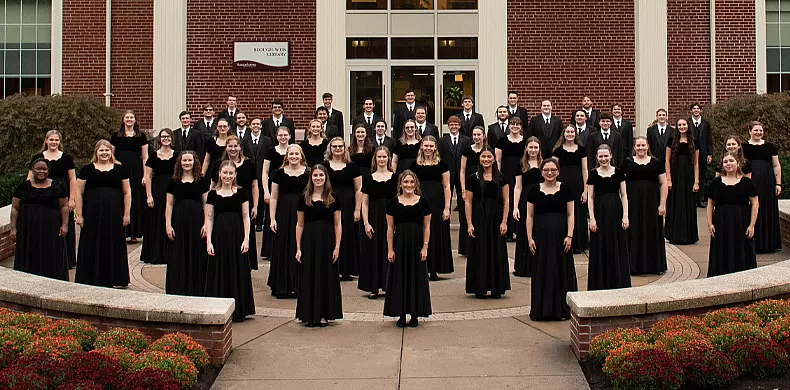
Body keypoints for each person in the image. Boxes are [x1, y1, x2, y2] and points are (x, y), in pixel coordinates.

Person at [75, 140, 131, 288]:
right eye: (101, 150)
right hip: (92, 214)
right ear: (96, 152)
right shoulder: (87, 169)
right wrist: (79, 215)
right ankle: (90, 277)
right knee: (91, 243)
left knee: (114, 243)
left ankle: (115, 278)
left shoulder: (120, 169)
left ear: (111, 152)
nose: (104, 153)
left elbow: (127, 192)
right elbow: (78, 193)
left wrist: (126, 214)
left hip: (114, 214)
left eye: (107, 150)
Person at [526, 158, 577, 320]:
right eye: (546, 170)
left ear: (558, 171)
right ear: (541, 172)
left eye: (553, 170)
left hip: (561, 236)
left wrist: (569, 235)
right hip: (540, 237)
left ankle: (561, 310)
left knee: (560, 269)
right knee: (542, 270)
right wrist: (529, 238)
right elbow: (529, 215)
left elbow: (571, 214)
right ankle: (542, 311)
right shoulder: (534, 190)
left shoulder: (566, 189)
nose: (549, 173)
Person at [205, 161, 255, 321]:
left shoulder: (242, 193)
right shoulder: (212, 194)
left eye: (230, 173)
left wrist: (246, 239)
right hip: (219, 237)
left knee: (237, 269)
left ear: (235, 175)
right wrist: (209, 241)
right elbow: (209, 218)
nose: (227, 176)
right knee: (219, 270)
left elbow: (246, 216)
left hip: (237, 236)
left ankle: (239, 309)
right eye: (224, 173)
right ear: (219, 174)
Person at [296, 165, 343, 327]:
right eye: (315, 175)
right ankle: (309, 314)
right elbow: (300, 224)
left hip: (327, 241)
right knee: (309, 276)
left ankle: (324, 314)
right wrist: (298, 248)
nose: (318, 178)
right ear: (311, 178)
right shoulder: (304, 198)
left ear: (326, 177)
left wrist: (337, 247)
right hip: (309, 241)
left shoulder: (333, 197)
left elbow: (338, 224)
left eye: (321, 175)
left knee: (325, 276)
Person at [385, 170, 432, 327]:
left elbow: (427, 227)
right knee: (400, 277)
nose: (409, 185)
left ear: (416, 184)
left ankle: (415, 314)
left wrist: (425, 247)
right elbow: (390, 228)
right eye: (406, 182)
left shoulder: (424, 202)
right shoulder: (393, 203)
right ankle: (401, 313)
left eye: (412, 182)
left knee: (416, 278)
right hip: (400, 244)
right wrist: (390, 249)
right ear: (400, 184)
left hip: (417, 244)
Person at [465, 147, 511, 299]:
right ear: (479, 159)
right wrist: (469, 223)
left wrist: (504, 222)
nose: (486, 159)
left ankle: (496, 287)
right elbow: (469, 203)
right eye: (483, 157)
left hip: (496, 219)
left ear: (493, 159)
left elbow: (506, 201)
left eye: (489, 156)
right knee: (480, 252)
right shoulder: (473, 178)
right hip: (479, 219)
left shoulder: (502, 178)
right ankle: (480, 287)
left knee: (496, 251)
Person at [12, 158, 69, 280]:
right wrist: (13, 228)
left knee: (50, 254)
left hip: (51, 228)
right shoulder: (23, 187)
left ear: (48, 171)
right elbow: (15, 208)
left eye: (44, 169)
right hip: (28, 228)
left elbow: (64, 206)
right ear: (32, 170)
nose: (41, 171)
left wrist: (64, 224)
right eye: (38, 169)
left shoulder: (58, 186)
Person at [28, 130, 77, 269]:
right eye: (51, 140)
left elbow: (73, 179)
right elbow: (30, 177)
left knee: (64, 224)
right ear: (46, 141)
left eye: (56, 140)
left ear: (59, 142)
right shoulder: (38, 157)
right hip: (43, 195)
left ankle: (66, 260)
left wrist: (72, 199)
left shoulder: (67, 158)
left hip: (63, 195)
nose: (54, 142)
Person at [209, 136, 260, 269]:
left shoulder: (248, 163)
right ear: (226, 148)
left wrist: (255, 205)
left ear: (240, 147)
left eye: (235, 146)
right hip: (224, 201)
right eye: (230, 146)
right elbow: (213, 185)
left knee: (244, 234)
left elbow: (254, 185)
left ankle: (244, 266)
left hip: (243, 202)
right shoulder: (219, 164)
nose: (233, 149)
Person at [706, 152, 759, 277]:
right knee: (721, 251)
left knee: (741, 250)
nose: (728, 164)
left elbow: (755, 203)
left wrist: (752, 225)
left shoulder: (746, 182)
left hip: (741, 222)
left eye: (731, 161)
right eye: (725, 162)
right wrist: (709, 223)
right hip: (721, 223)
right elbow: (710, 204)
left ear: (738, 163)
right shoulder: (716, 183)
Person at [164, 151, 209, 296]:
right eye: (184, 161)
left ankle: (196, 288)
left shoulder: (201, 181)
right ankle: (178, 287)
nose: (187, 163)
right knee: (178, 253)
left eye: (190, 160)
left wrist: (206, 223)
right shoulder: (174, 181)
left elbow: (206, 203)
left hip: (196, 221)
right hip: (179, 221)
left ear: (195, 162)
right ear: (180, 163)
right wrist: (168, 224)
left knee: (196, 253)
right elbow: (169, 204)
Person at [268, 144, 310, 299]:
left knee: (299, 246)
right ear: (287, 156)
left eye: (296, 154)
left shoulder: (308, 173)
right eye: (291, 154)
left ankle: (299, 285)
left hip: (302, 212)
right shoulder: (279, 174)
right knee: (283, 246)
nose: (293, 156)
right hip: (283, 213)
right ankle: (283, 286)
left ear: (301, 156)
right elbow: (274, 197)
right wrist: (272, 218)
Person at [586, 145, 631, 290]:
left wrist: (625, 216)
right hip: (599, 214)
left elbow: (624, 195)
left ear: (611, 156)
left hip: (616, 213)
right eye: (601, 156)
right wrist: (591, 218)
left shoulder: (618, 173)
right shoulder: (593, 174)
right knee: (600, 246)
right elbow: (590, 197)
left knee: (616, 245)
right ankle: (600, 283)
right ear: (597, 157)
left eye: (606, 156)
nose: (603, 159)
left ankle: (618, 281)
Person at [622, 136, 668, 275]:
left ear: (648, 146)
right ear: (634, 147)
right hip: (633, 204)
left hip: (651, 203)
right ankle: (633, 266)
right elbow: (621, 183)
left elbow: (663, 183)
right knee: (633, 231)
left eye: (643, 146)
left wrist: (662, 204)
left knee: (651, 230)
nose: (641, 148)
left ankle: (654, 266)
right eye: (638, 146)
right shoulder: (627, 162)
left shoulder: (656, 163)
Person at [410, 136, 453, 280]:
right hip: (419, 201)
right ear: (421, 147)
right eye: (425, 146)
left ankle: (434, 268)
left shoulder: (442, 164)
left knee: (436, 232)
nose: (428, 149)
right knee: (420, 232)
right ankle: (420, 267)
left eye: (431, 146)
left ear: (435, 148)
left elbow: (447, 186)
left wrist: (447, 207)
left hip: (437, 201)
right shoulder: (414, 165)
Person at [359, 147, 397, 299]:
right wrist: (366, 223)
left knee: (389, 250)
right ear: (375, 159)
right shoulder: (368, 178)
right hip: (374, 218)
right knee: (374, 250)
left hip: (390, 217)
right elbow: (365, 203)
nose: (382, 159)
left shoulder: (395, 178)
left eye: (384, 157)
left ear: (388, 159)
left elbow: (397, 200)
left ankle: (389, 285)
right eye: (379, 157)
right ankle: (374, 287)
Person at [322, 137, 362, 281]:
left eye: (340, 146)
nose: (338, 149)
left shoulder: (352, 167)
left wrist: (357, 209)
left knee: (347, 235)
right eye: (335, 146)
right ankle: (331, 268)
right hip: (329, 203)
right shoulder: (324, 166)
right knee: (330, 234)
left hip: (347, 204)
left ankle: (346, 270)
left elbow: (358, 189)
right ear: (330, 148)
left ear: (344, 148)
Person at [742, 121, 782, 253]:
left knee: (767, 209)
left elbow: (776, 165)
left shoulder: (770, 146)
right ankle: (752, 242)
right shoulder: (743, 147)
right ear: (750, 131)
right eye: (755, 130)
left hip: (768, 183)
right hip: (751, 182)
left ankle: (768, 244)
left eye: (760, 130)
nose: (758, 133)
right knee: (752, 209)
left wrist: (778, 183)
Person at [110, 110, 148, 244]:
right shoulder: (115, 136)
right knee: (120, 197)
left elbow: (145, 157)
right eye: (127, 117)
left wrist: (145, 175)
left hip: (136, 171)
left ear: (135, 120)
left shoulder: (141, 136)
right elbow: (111, 156)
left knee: (136, 199)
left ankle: (133, 233)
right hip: (120, 169)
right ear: (123, 120)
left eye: (132, 117)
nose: (129, 119)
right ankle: (121, 231)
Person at [141, 128, 178, 264]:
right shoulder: (153, 156)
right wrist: (149, 195)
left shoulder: (177, 155)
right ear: (159, 139)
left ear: (172, 139)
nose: (166, 139)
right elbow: (148, 176)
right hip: (157, 190)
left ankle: (170, 254)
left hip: (173, 189)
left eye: (168, 137)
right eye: (163, 137)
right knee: (157, 221)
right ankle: (156, 254)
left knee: (172, 219)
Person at [553, 125, 589, 254]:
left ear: (575, 134)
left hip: (578, 184)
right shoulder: (557, 151)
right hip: (562, 183)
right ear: (564, 134)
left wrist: (585, 189)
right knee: (564, 210)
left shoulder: (582, 150)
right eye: (567, 132)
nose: (569, 134)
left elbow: (585, 170)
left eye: (572, 132)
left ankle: (579, 243)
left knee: (578, 212)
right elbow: (553, 169)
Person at [664, 118, 700, 245]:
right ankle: (674, 235)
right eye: (679, 125)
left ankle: (688, 236)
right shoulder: (671, 140)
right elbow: (667, 161)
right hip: (675, 175)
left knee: (688, 204)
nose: (682, 126)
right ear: (676, 126)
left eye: (684, 124)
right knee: (675, 203)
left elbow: (696, 163)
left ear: (688, 126)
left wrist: (696, 181)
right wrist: (668, 179)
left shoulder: (694, 141)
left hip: (689, 176)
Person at [513, 137, 542, 277]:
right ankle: (524, 267)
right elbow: (517, 187)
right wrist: (515, 207)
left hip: (540, 200)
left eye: (536, 147)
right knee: (525, 232)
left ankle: (538, 266)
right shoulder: (521, 164)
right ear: (526, 149)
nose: (533, 150)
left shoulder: (543, 164)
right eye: (530, 147)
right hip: (525, 200)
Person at [495, 117, 525, 242]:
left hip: (521, 172)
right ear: (509, 126)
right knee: (507, 199)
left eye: (517, 124)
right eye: (512, 124)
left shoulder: (525, 141)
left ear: (521, 126)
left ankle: (519, 230)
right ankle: (508, 231)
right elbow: (498, 160)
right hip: (506, 172)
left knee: (520, 199)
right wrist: (498, 175)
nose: (515, 126)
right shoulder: (502, 141)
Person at [459, 126, 486, 256]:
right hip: (470, 185)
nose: (476, 137)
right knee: (468, 214)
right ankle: (466, 247)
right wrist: (463, 188)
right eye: (474, 135)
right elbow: (462, 170)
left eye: (479, 135)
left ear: (483, 136)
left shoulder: (487, 151)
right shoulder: (466, 151)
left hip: (483, 186)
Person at [260, 125, 289, 251]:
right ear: (276, 137)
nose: (283, 137)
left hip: (287, 188)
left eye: (285, 135)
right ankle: (270, 249)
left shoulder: (293, 151)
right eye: (280, 135)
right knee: (271, 216)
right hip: (273, 187)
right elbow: (265, 172)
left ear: (290, 136)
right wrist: (266, 191)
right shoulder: (271, 152)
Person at [246, 118, 273, 234]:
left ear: (261, 126)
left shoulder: (267, 140)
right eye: (253, 124)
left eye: (258, 124)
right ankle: (252, 219)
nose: (256, 126)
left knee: (262, 196)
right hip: (251, 172)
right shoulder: (245, 140)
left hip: (262, 171)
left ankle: (259, 222)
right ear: (250, 126)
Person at [689, 103, 713, 208]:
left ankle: (701, 199)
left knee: (702, 177)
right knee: (691, 177)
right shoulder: (687, 123)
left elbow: (709, 140)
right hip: (690, 154)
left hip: (703, 154)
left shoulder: (706, 124)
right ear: (691, 111)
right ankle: (692, 200)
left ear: (701, 110)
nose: (696, 110)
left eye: (697, 108)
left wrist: (710, 154)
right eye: (694, 109)